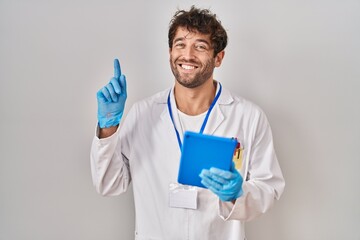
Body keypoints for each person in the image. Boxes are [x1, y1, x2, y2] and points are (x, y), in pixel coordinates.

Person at [91, 6, 285, 240]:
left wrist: (238, 193)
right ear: (170, 51)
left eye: (200, 46)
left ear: (218, 58)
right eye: (180, 44)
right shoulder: (143, 113)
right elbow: (109, 185)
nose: (188, 55)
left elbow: (269, 187)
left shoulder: (248, 117)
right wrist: (108, 126)